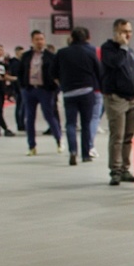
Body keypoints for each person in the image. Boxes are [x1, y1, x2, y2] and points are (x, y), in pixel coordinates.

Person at [52, 27, 103, 166]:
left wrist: (62, 84)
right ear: (86, 38)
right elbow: (99, 72)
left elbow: (53, 73)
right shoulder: (90, 52)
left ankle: (73, 151)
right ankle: (86, 154)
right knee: (86, 124)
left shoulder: (62, 53)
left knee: (70, 124)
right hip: (87, 91)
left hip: (69, 92)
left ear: (72, 38)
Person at [100, 19, 134, 186]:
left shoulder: (129, 51)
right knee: (117, 136)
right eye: (124, 31)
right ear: (116, 32)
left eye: (129, 31)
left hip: (132, 98)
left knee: (128, 137)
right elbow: (115, 63)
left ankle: (125, 169)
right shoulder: (109, 49)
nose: (128, 35)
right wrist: (123, 46)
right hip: (116, 98)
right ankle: (115, 170)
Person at [18, 30, 64, 155]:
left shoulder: (51, 56)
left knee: (49, 116)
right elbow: (20, 72)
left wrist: (54, 88)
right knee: (29, 118)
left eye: (41, 39)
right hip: (29, 90)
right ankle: (31, 146)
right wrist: (23, 87)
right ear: (32, 41)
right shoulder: (26, 56)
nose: (39, 42)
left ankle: (59, 140)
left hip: (45, 90)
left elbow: (56, 73)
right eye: (37, 39)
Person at [9, 45, 25, 132]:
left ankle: (21, 123)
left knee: (22, 106)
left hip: (21, 87)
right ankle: (20, 123)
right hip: (18, 88)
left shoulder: (20, 62)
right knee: (20, 106)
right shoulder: (15, 63)